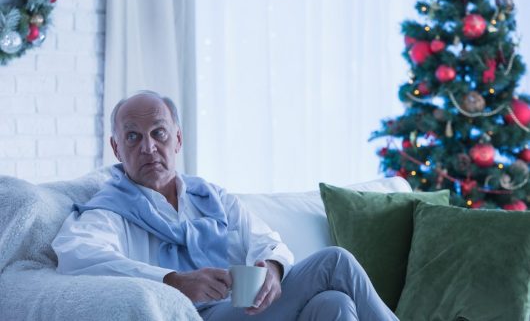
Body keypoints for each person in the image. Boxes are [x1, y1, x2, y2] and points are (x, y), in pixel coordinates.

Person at [52, 90, 398, 321]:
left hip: (240, 309)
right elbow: (78, 257)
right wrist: (173, 281)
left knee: (334, 305)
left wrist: (274, 270)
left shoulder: (211, 196)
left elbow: (266, 241)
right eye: (133, 137)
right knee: (334, 261)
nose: (148, 147)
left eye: (158, 133)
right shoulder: (108, 210)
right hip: (190, 315)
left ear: (177, 139)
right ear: (116, 149)